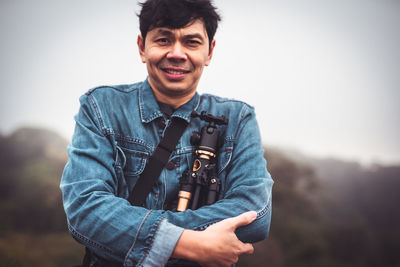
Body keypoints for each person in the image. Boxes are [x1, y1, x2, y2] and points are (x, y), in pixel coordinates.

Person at [60, 0, 273, 266]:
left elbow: (255, 215)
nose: (176, 53)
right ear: (142, 47)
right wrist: (190, 244)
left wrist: (130, 234)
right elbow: (86, 210)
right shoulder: (101, 106)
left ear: (210, 52)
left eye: (191, 42)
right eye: (163, 40)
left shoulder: (238, 118)